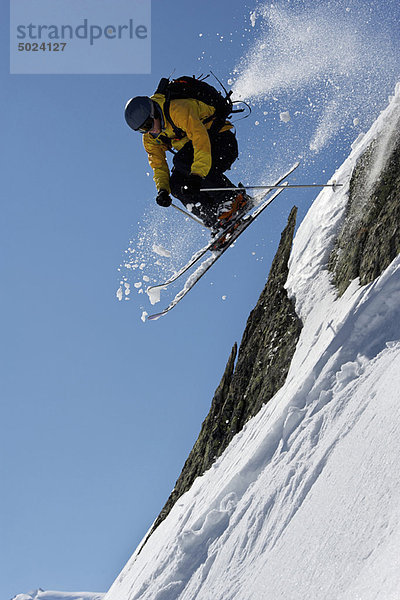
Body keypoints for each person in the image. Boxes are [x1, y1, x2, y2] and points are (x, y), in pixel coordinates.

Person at [124, 89, 249, 233]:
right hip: (195, 158)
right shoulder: (150, 138)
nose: (148, 131)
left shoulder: (177, 110)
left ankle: (233, 199)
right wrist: (163, 190)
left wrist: (196, 175)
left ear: (154, 113)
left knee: (181, 161)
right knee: (176, 185)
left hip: (222, 143)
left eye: (148, 125)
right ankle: (216, 218)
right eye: (142, 130)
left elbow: (200, 140)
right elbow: (158, 165)